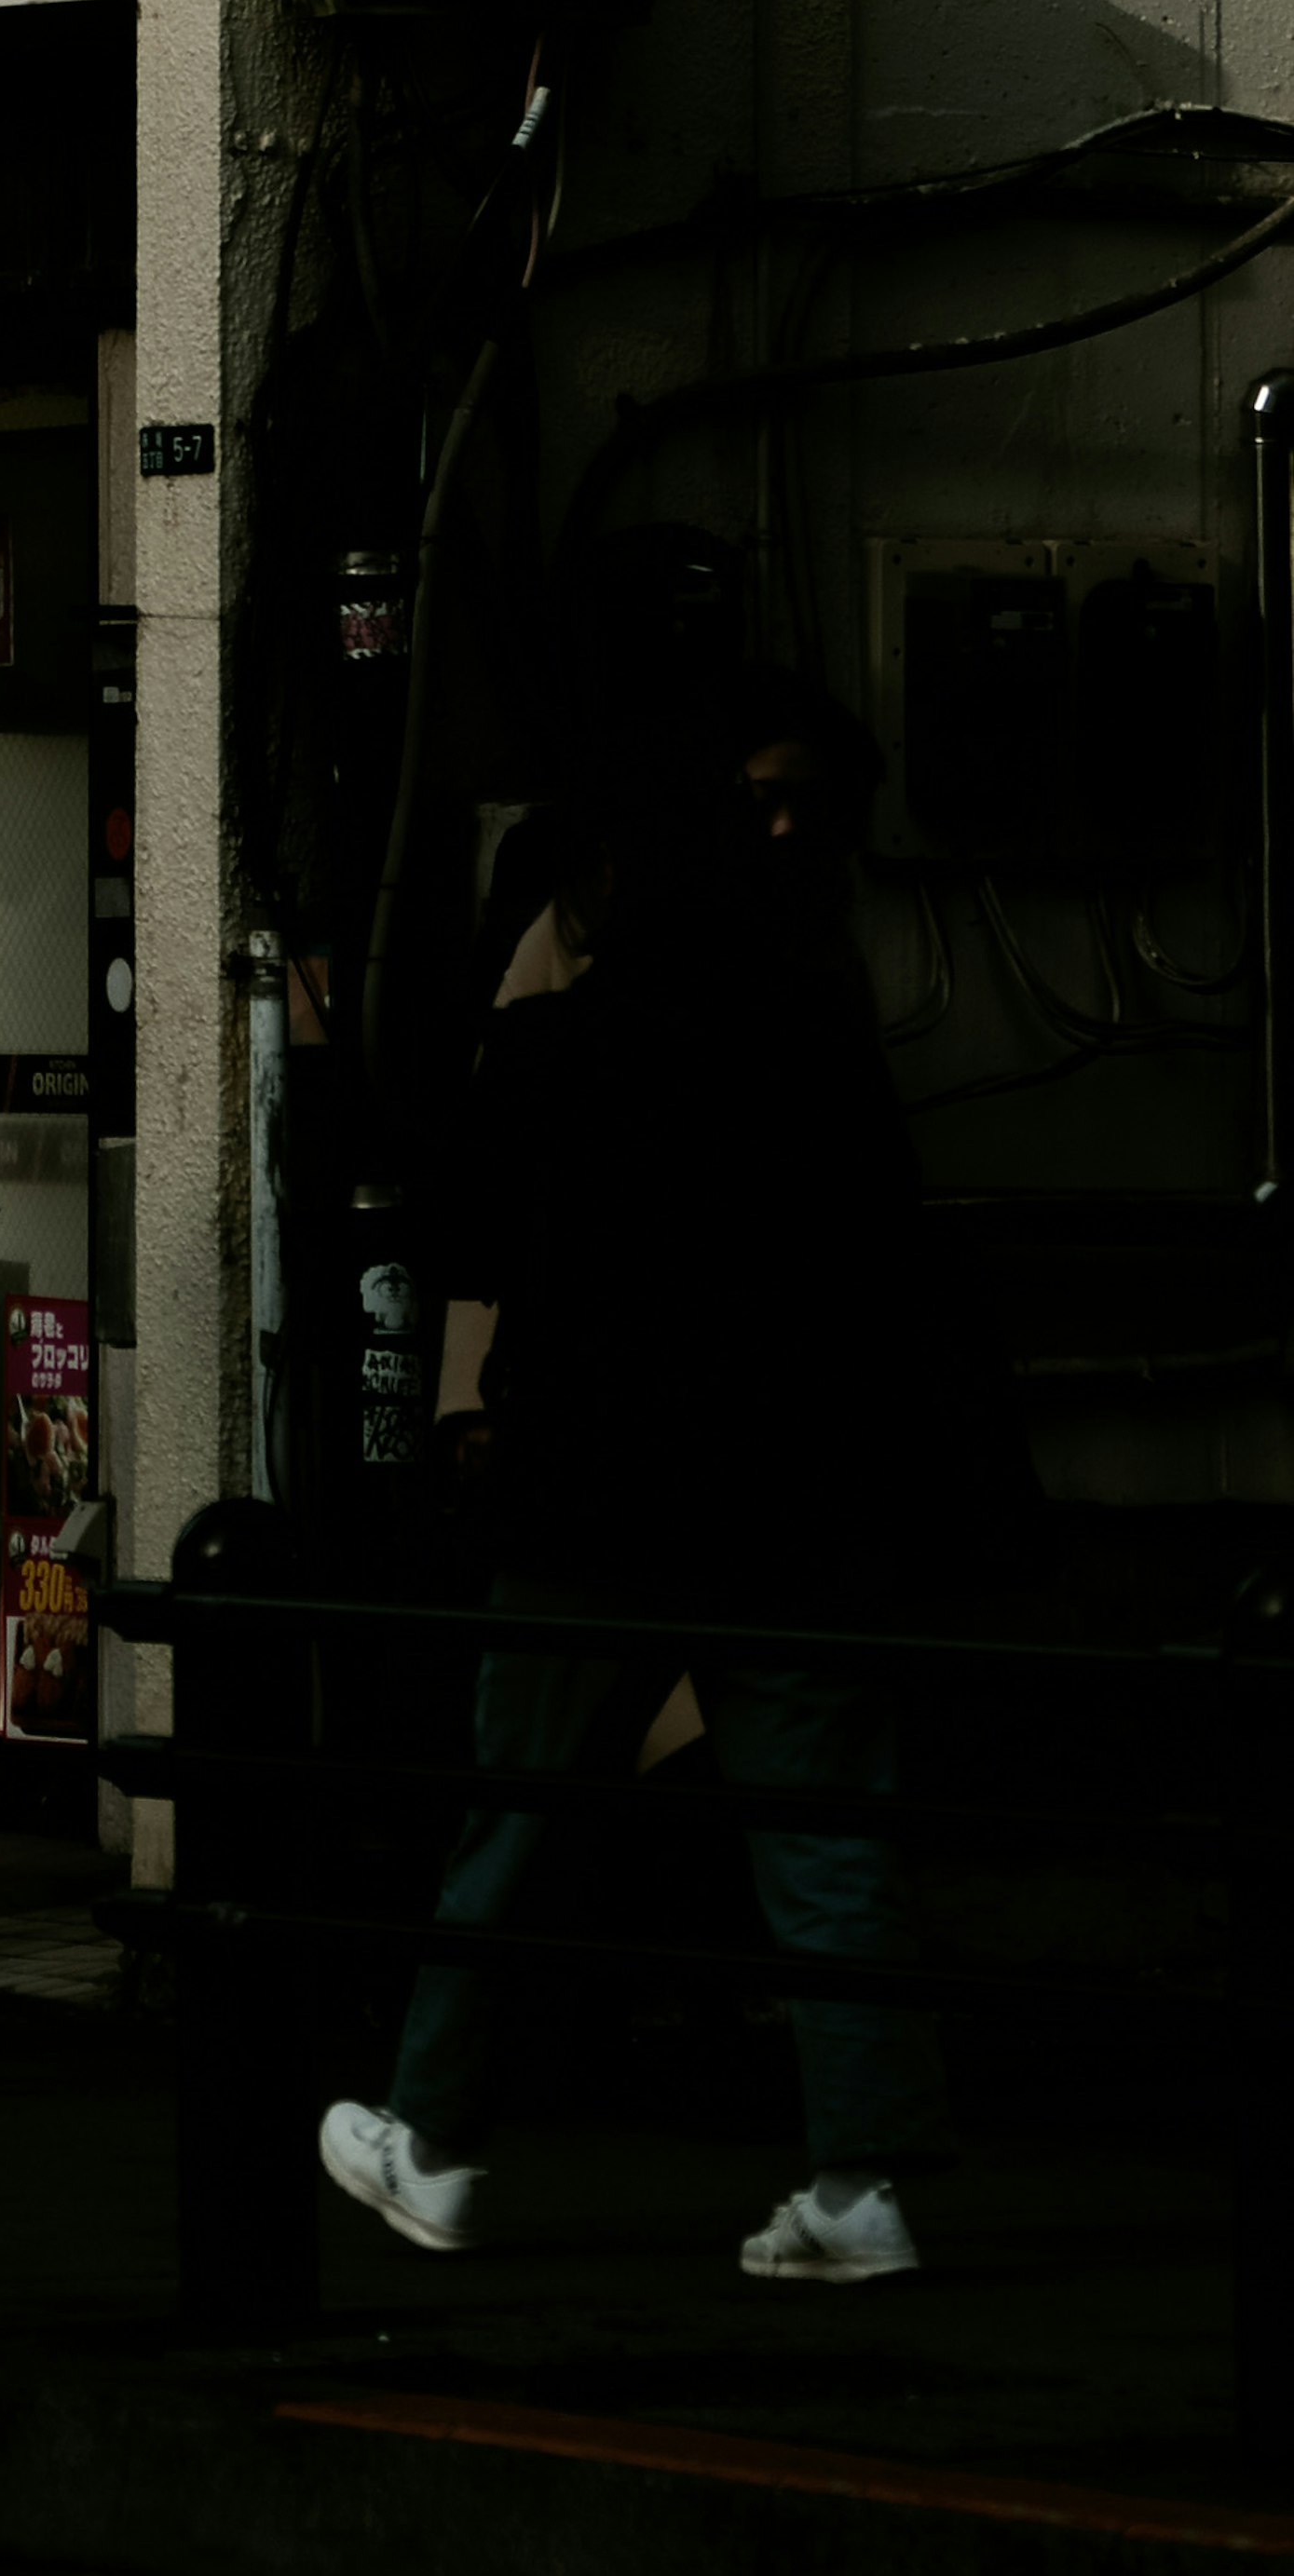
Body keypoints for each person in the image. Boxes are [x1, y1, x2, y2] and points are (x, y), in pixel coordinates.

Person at [320, 685, 954, 2285]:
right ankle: (862, 2181)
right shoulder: (819, 1032)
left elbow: (454, 1226)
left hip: (592, 1493)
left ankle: (438, 2140)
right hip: (797, 1493)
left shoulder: (564, 1044)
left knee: (518, 1811)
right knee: (823, 1836)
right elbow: (894, 1261)